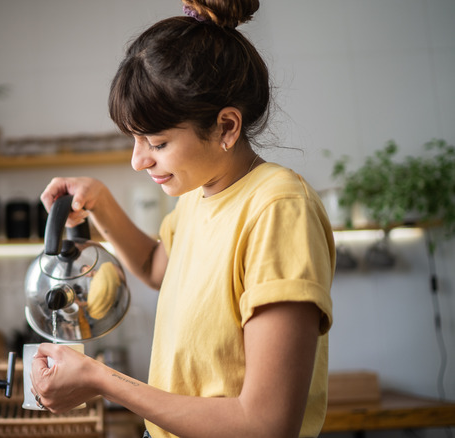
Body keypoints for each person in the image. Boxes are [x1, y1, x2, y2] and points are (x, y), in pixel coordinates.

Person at [29, 1, 336, 437]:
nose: (139, 160)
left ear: (227, 127)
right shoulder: (199, 192)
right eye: (135, 139)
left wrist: (100, 379)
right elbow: (159, 268)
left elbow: (267, 424)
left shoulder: (278, 208)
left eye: (156, 142)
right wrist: (101, 202)